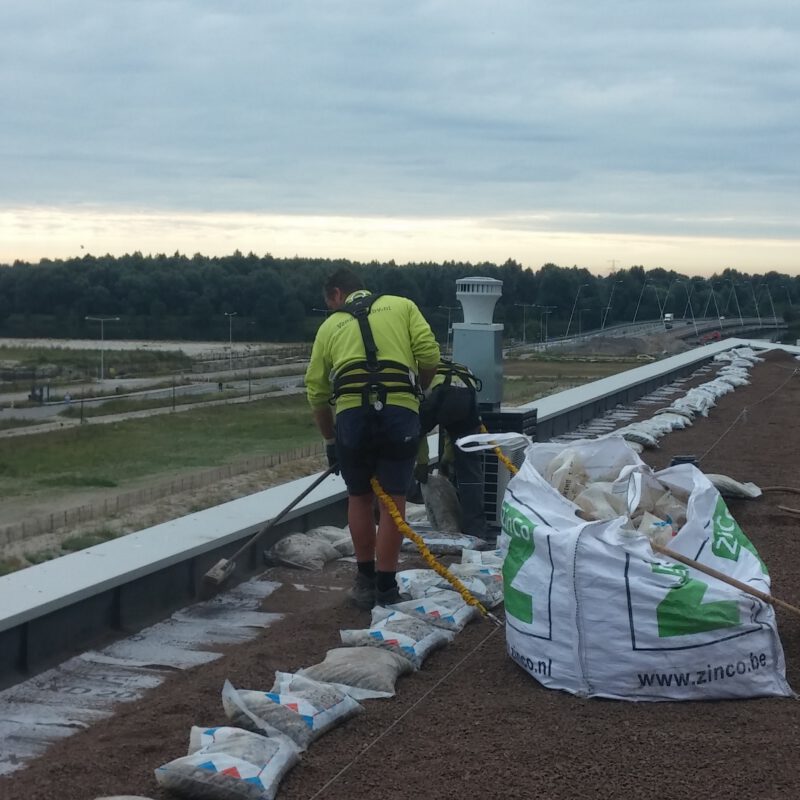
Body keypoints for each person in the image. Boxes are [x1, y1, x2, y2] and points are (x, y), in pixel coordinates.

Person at [305, 268, 440, 608]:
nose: (333, 310)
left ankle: (364, 584)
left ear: (337, 294)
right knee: (393, 500)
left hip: (352, 418)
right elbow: (430, 356)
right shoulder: (402, 306)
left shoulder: (329, 327)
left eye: (330, 303)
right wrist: (416, 392)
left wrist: (331, 441)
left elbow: (317, 392)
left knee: (359, 497)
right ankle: (386, 589)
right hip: (399, 414)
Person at [413, 360, 487, 538]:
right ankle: (476, 532)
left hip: (442, 394)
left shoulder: (416, 371)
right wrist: (447, 459)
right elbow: (453, 429)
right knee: (470, 468)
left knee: (413, 432)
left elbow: (418, 432)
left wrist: (422, 464)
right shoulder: (454, 367)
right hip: (467, 394)